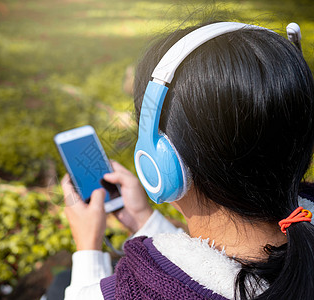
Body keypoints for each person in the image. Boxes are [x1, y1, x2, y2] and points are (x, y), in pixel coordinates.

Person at [61, 20, 314, 300]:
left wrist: (87, 249)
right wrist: (144, 220)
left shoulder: (132, 292)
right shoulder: (304, 224)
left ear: (159, 163)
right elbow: (205, 273)